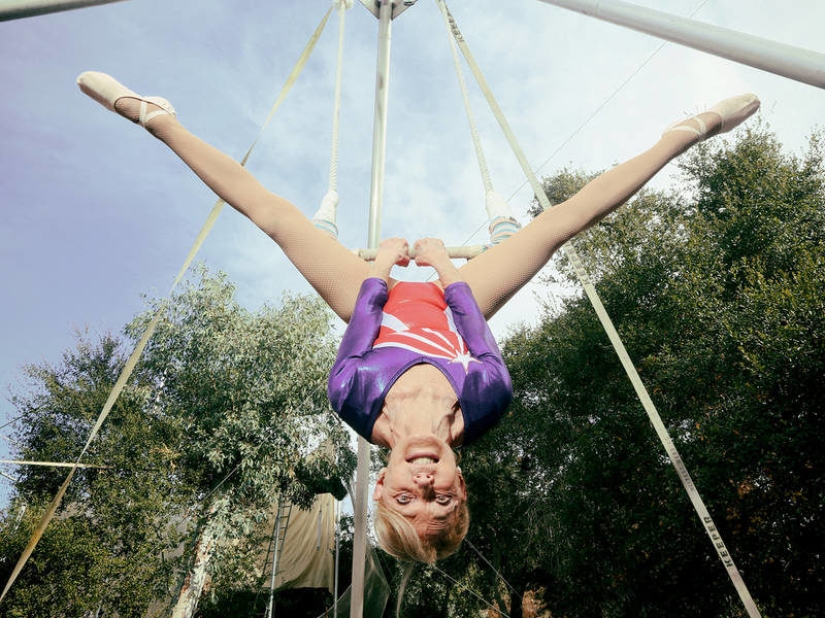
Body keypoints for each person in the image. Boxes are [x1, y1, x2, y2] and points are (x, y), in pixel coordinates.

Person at [77, 71, 759, 563]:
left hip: (370, 305)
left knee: (277, 218)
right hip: (453, 304)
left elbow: (363, 320)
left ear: (381, 484)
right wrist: (438, 262)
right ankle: (682, 134)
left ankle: (156, 117)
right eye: (442, 503)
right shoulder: (486, 401)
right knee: (557, 225)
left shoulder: (352, 396)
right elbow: (471, 323)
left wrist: (380, 264)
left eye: (406, 502)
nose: (424, 490)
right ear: (462, 486)